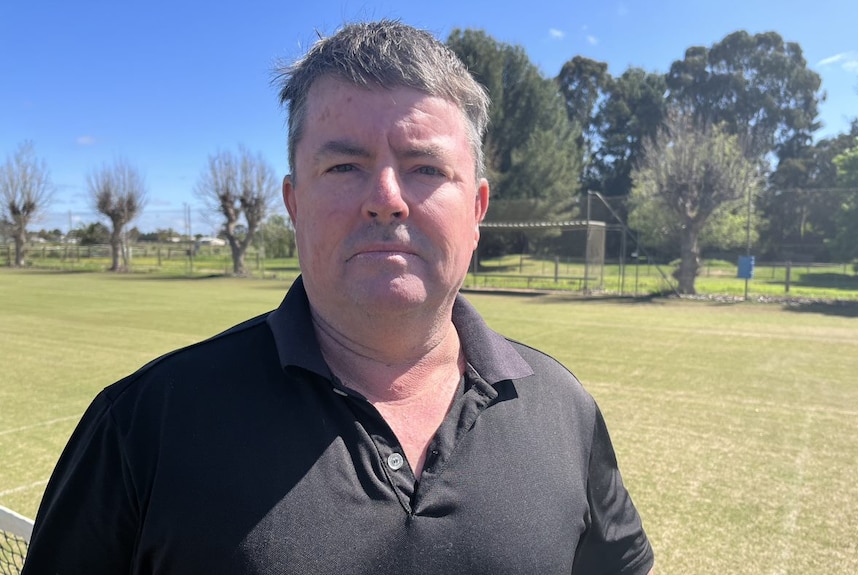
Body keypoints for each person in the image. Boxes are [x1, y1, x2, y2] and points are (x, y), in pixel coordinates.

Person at [22, 20, 654, 575]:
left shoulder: (563, 409)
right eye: (344, 166)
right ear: (294, 203)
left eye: (426, 168)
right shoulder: (144, 426)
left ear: (478, 209)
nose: (387, 197)